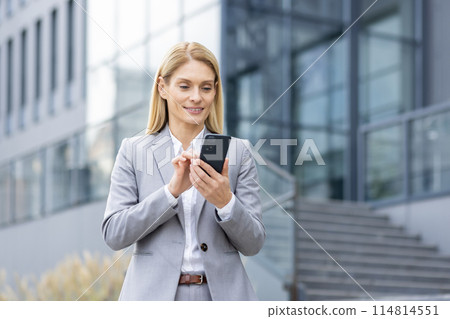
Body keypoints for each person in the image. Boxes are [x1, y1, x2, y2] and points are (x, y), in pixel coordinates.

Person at [102, 42, 265, 301]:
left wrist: (226, 202)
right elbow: (114, 233)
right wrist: (170, 193)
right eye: (185, 86)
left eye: (206, 87)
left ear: (215, 92)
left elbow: (254, 243)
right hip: (152, 298)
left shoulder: (237, 152)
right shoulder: (134, 151)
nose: (196, 97)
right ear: (163, 88)